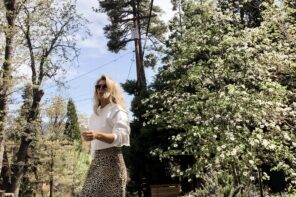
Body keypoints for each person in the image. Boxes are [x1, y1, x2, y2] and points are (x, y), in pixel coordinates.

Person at [80, 75, 130, 197]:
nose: (101, 89)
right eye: (98, 86)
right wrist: (93, 156)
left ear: (112, 90)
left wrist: (97, 135)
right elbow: (94, 143)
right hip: (97, 162)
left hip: (112, 163)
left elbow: (121, 137)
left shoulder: (117, 110)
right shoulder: (94, 115)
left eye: (105, 86)